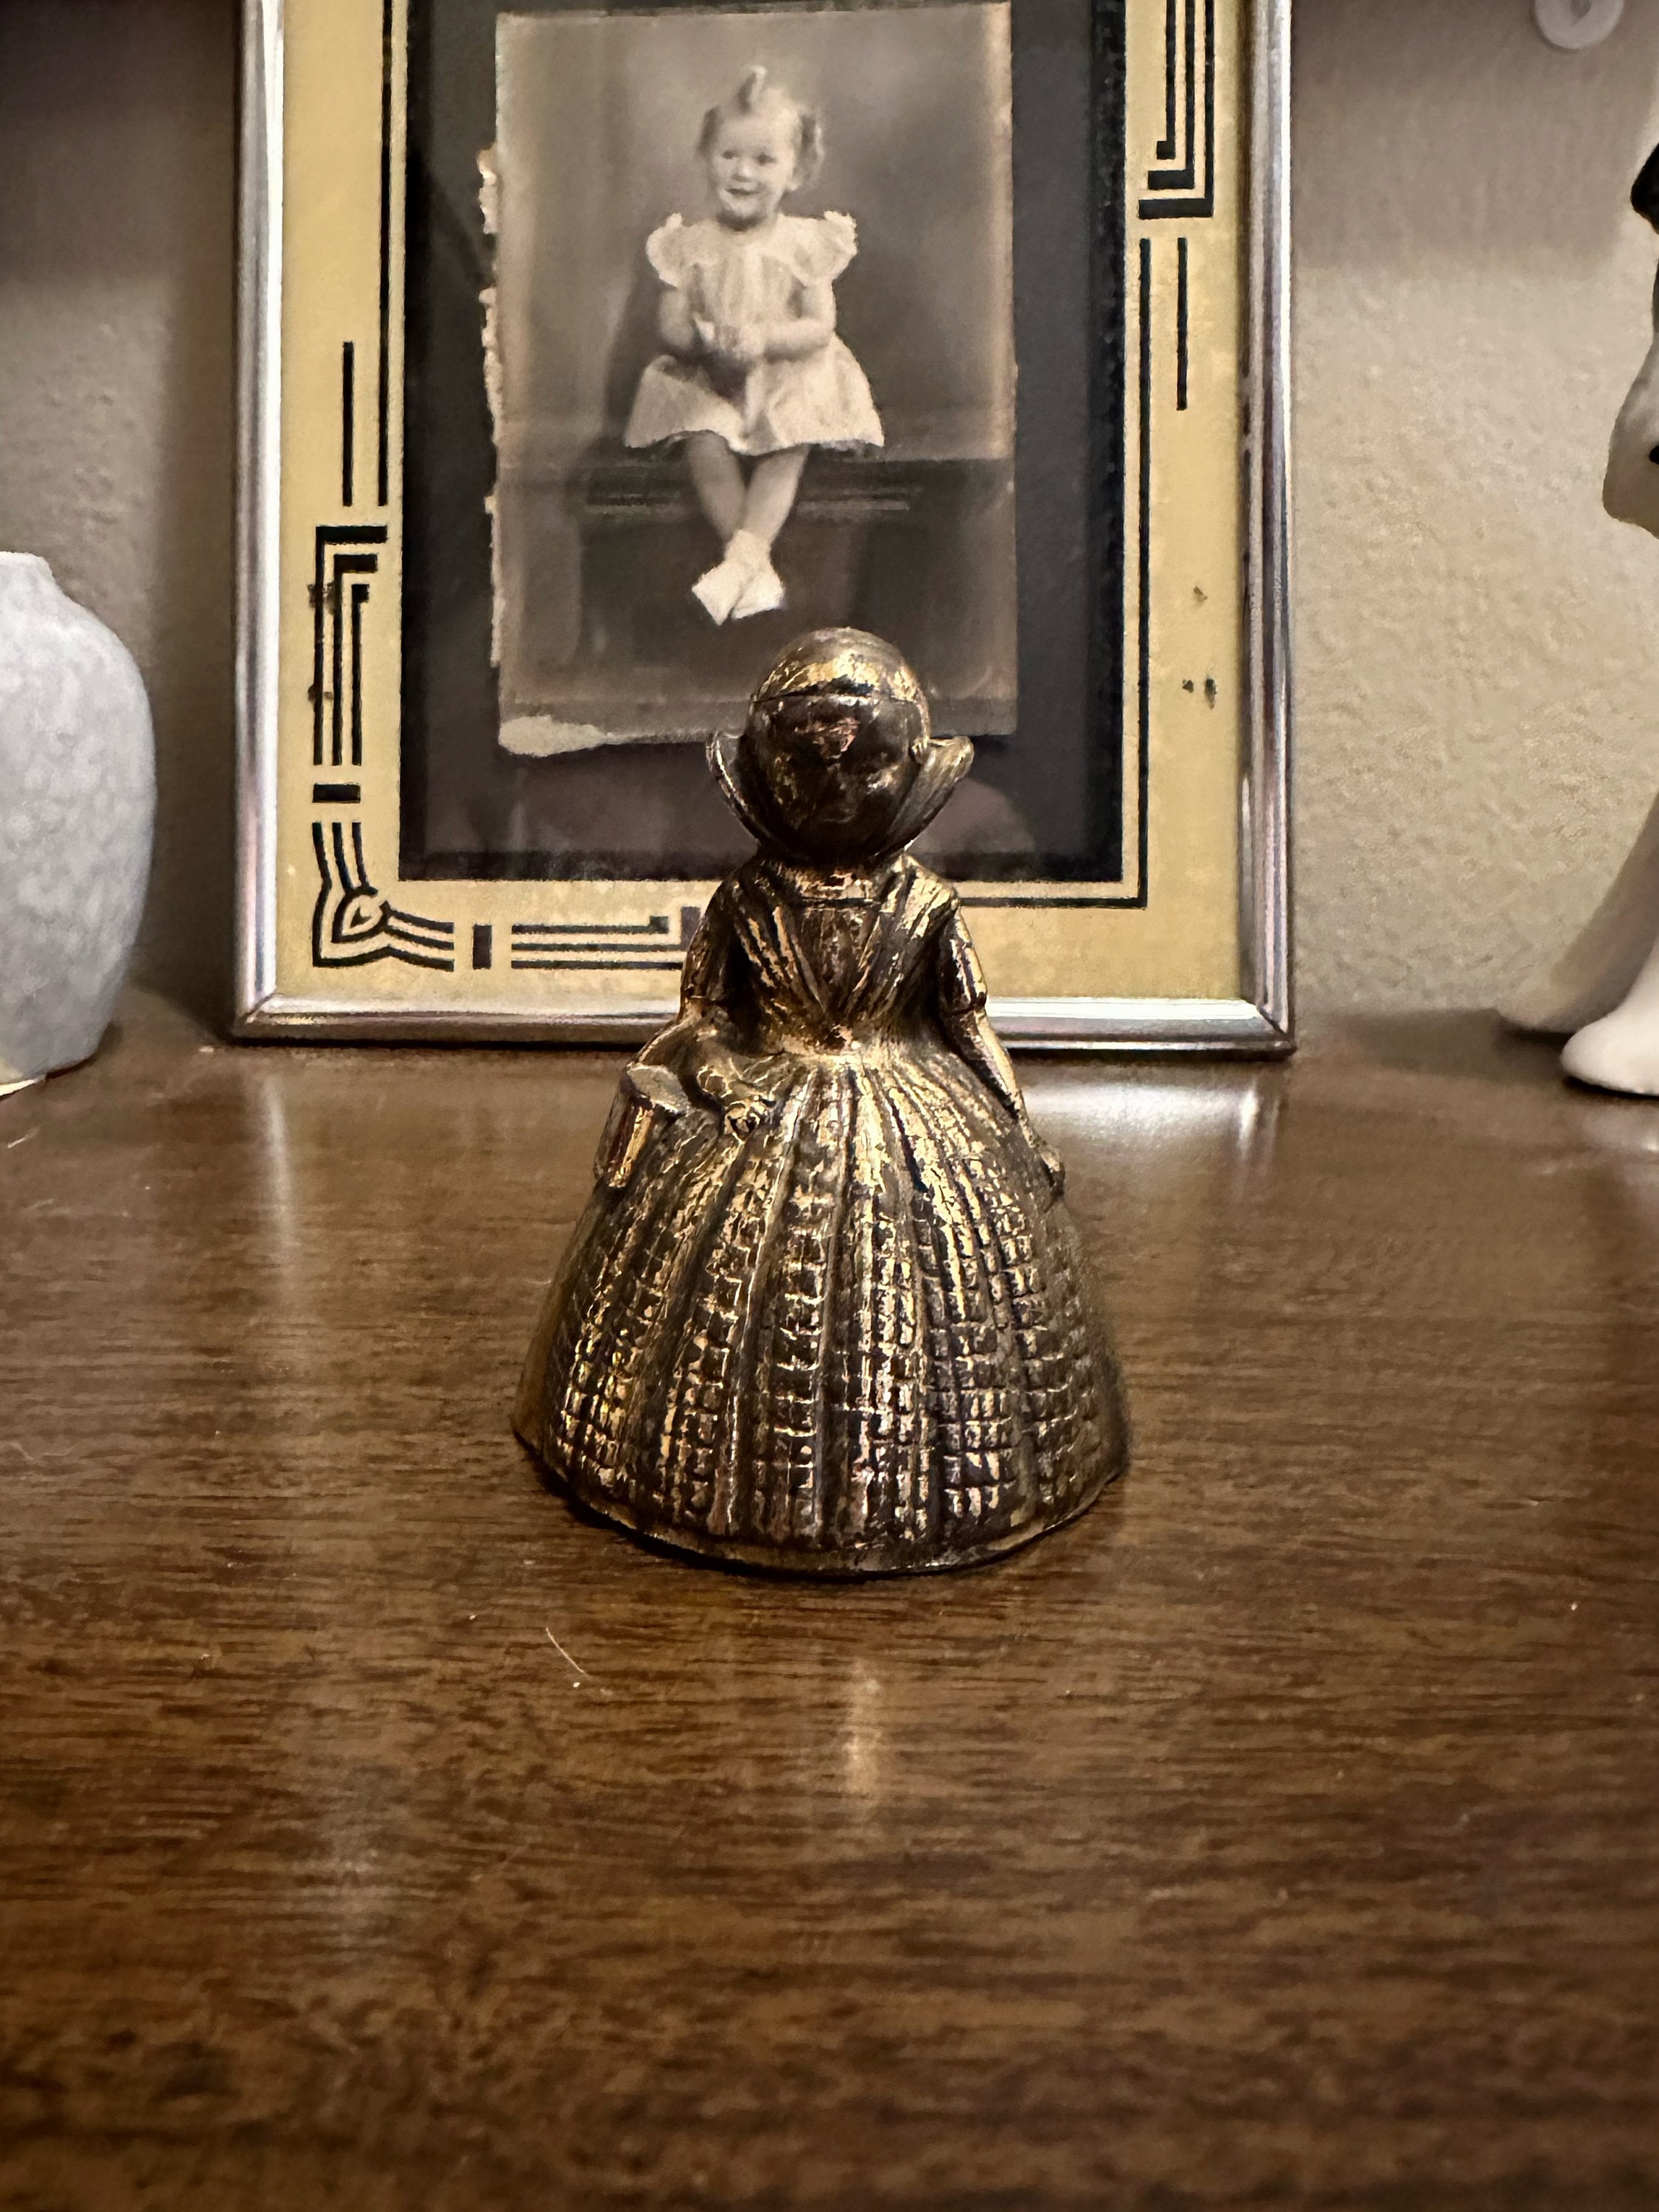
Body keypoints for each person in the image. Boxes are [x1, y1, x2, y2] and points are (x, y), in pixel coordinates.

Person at [515, 630, 1127, 1574]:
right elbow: (700, 1021)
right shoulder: (749, 901)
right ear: (764, 775)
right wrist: (717, 1078)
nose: (837, 790)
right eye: (806, 766)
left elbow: (966, 1025)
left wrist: (1018, 1122)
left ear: (915, 772)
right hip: (755, 1104)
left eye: (869, 763)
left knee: (969, 1336)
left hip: (924, 1127)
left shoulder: (925, 907)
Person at [623, 66, 883, 626]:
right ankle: (753, 571)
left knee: (792, 439)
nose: (743, 172)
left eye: (764, 160)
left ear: (797, 172)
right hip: (713, 374)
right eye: (729, 156)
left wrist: (764, 338)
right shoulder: (686, 244)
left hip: (783, 371)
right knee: (701, 434)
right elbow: (668, 323)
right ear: (706, 158)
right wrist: (700, 340)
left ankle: (740, 561)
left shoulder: (806, 242)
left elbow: (819, 326)